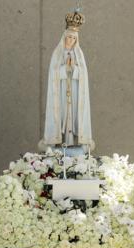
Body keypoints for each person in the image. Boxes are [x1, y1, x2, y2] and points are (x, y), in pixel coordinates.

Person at [39, 11, 94, 154]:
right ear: (64, 37)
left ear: (76, 40)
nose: (70, 40)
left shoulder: (79, 55)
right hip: (61, 92)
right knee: (62, 114)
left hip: (75, 91)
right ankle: (59, 142)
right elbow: (53, 74)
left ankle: (73, 144)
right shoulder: (57, 54)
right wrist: (65, 68)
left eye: (73, 38)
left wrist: (74, 68)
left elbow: (83, 75)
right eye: (68, 37)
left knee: (74, 114)